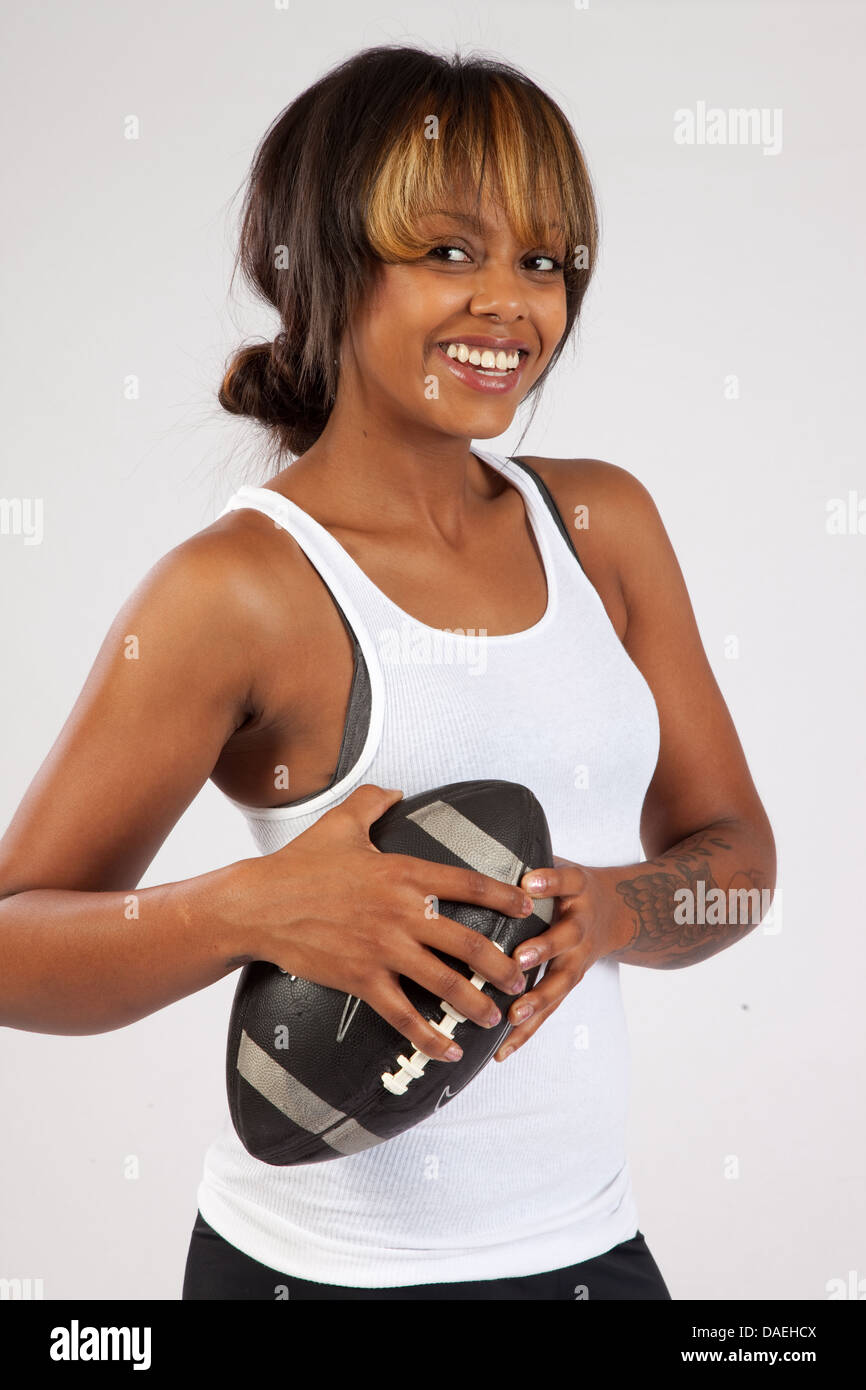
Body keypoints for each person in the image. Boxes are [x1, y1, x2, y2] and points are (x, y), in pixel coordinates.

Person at [0, 44, 776, 1301]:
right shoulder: (234, 591)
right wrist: (252, 905)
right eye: (450, 252)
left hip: (590, 1255)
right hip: (311, 1278)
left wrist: (611, 912)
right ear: (331, 266)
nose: (511, 305)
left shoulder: (602, 527)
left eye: (542, 260)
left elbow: (737, 859)